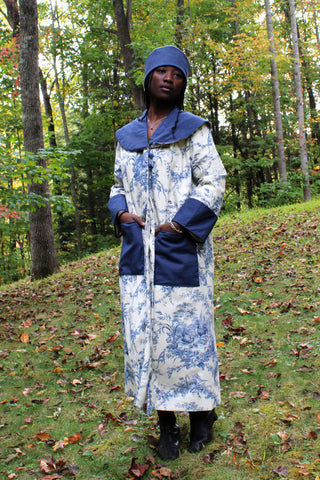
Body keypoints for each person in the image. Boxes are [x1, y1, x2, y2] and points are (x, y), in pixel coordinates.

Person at [108, 46, 226, 461]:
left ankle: (202, 416)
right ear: (147, 79)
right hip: (139, 255)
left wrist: (178, 225)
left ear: (183, 84)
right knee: (147, 338)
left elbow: (212, 182)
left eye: (176, 73)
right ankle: (166, 425)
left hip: (182, 251)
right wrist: (121, 212)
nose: (167, 78)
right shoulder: (127, 137)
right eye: (159, 71)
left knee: (188, 335)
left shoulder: (195, 131)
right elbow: (116, 184)